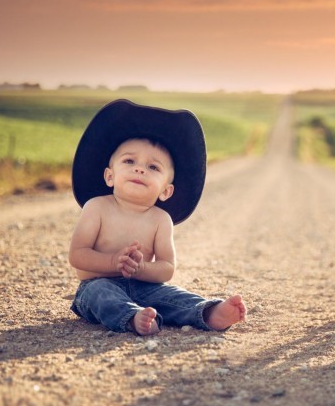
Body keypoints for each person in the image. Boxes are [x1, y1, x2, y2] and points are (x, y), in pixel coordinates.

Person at [68, 99, 246, 335]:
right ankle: (131, 317)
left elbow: (166, 268)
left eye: (153, 167)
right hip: (98, 282)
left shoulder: (160, 219)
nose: (140, 169)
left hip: (145, 287)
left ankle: (208, 313)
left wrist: (140, 269)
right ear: (109, 176)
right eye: (129, 161)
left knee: (172, 295)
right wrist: (113, 263)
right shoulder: (97, 207)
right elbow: (77, 256)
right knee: (100, 295)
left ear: (166, 191)